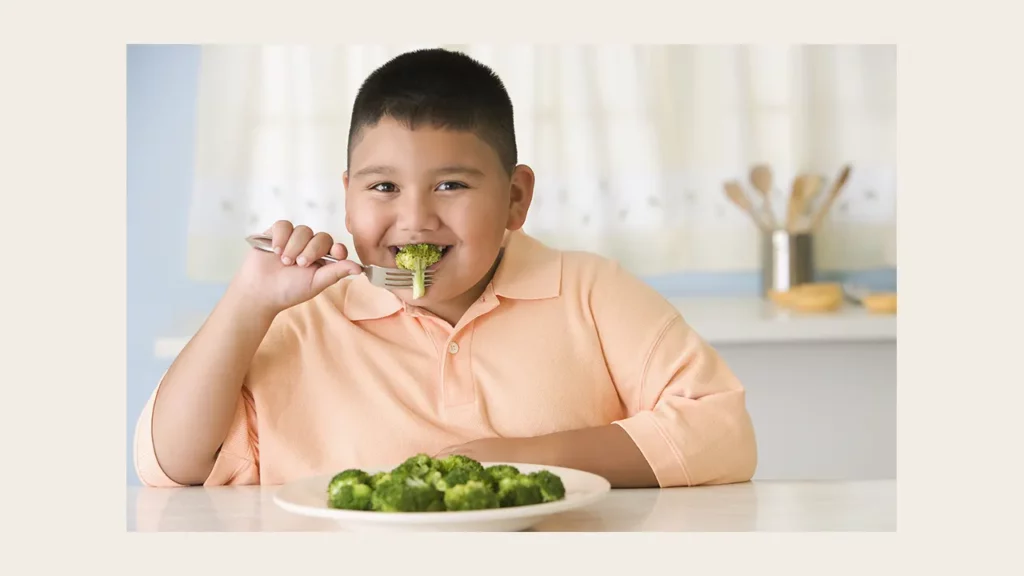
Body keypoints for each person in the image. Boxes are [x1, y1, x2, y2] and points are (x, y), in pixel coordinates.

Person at [134, 47, 756, 489]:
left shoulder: (590, 292)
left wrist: (514, 463)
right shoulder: (294, 318)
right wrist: (247, 302)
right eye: (383, 188)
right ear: (347, 196)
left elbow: (722, 429)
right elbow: (168, 466)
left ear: (516, 199)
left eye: (452, 184)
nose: (415, 219)